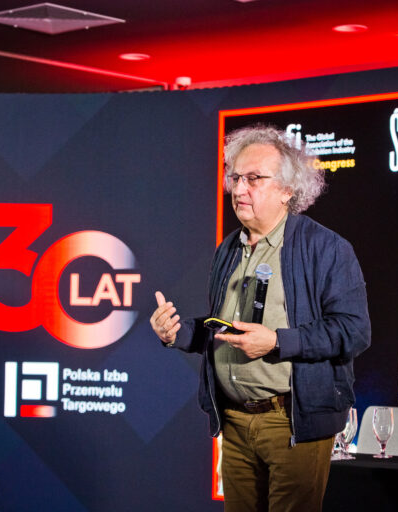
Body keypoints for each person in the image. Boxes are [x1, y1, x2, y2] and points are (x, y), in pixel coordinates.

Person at [150, 124, 370, 512]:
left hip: (292, 423)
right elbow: (224, 329)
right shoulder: (229, 250)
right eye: (235, 178)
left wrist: (277, 342)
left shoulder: (326, 248)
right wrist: (178, 333)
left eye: (253, 179)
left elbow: (353, 331)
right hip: (234, 422)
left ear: (287, 190)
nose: (238, 189)